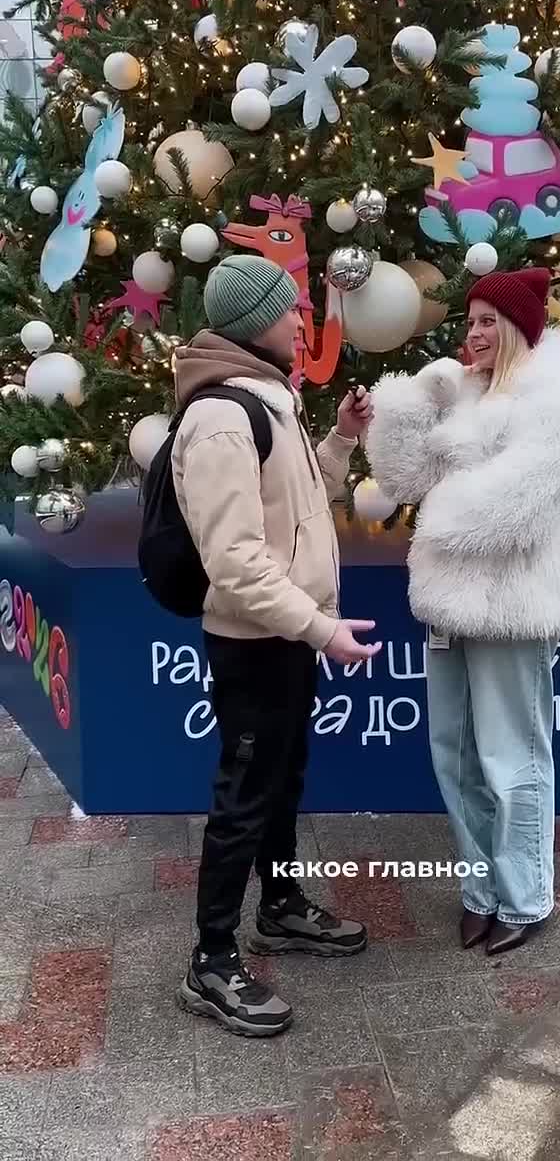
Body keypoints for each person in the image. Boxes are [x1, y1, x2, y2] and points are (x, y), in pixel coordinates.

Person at [172, 253, 379, 1036]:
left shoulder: (268, 398)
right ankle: (211, 959)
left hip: (285, 635)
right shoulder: (223, 418)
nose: (302, 320)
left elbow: (296, 505)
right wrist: (320, 628)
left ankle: (281, 905)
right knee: (245, 796)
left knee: (280, 780)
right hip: (257, 642)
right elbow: (233, 562)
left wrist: (342, 441)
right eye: (291, 308)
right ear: (257, 317)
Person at [367, 268, 560, 956]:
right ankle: (480, 891)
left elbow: (518, 506)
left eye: (489, 320)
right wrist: (416, 397)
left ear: (520, 327)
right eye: (470, 321)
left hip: (511, 607)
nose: (474, 333)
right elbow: (401, 480)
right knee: (456, 754)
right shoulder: (465, 395)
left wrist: (439, 508)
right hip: (447, 605)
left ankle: (525, 898)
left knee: (512, 756)